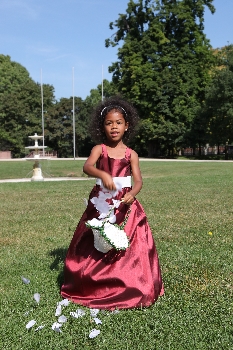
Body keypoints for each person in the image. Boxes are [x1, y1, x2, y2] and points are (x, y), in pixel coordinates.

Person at [61, 96, 164, 309]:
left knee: (127, 239)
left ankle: (131, 282)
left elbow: (138, 180)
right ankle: (91, 283)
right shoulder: (100, 149)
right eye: (109, 123)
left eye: (118, 123)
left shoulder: (131, 154)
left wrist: (133, 193)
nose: (114, 127)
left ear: (127, 126)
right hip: (102, 201)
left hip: (124, 204)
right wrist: (102, 174)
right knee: (95, 239)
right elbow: (87, 166)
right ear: (103, 127)